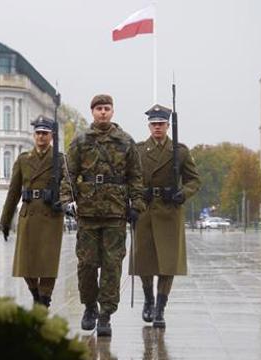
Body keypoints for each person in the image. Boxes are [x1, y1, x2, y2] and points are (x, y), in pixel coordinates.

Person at [60, 94, 146, 337]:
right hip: (87, 213)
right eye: (99, 108)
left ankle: (106, 314)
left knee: (112, 266)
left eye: (107, 108)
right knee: (87, 265)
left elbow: (136, 176)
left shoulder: (126, 142)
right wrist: (67, 200)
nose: (103, 112)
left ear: (112, 111)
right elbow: (69, 174)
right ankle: (89, 307)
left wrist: (137, 204)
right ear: (93, 112)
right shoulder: (81, 141)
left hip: (115, 213)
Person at [129, 104, 201, 329]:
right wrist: (131, 203)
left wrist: (183, 193)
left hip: (170, 211)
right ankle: (148, 300)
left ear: (168, 125)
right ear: (149, 126)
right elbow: (130, 179)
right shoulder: (139, 151)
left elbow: (194, 180)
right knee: (144, 261)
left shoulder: (180, 151)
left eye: (161, 123)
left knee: (167, 263)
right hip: (145, 209)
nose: (157, 127)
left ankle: (160, 308)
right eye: (154, 124)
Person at [0, 116, 65, 308]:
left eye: (45, 133)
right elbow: (13, 192)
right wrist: (5, 220)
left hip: (51, 215)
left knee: (48, 262)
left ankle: (44, 298)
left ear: (51, 136)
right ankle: (35, 293)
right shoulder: (23, 160)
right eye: (38, 133)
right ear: (34, 135)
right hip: (28, 214)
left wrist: (63, 201)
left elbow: (69, 186)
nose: (41, 137)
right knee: (25, 263)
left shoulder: (60, 160)